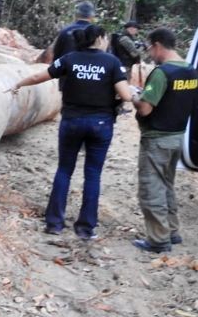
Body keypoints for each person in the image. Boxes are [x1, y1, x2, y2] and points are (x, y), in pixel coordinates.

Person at [10, 25, 132, 240]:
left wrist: (19, 83)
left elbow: (41, 76)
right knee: (92, 174)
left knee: (64, 170)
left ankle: (54, 223)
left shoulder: (70, 58)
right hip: (101, 124)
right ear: (100, 38)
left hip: (72, 121)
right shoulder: (112, 62)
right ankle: (85, 228)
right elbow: (126, 95)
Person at [131, 28, 198, 253]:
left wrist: (134, 97)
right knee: (167, 185)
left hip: (157, 139)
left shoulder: (162, 73)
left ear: (158, 45)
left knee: (152, 189)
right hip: (177, 137)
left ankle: (158, 239)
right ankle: (172, 230)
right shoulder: (190, 71)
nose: (150, 54)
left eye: (150, 48)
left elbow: (146, 109)